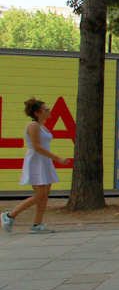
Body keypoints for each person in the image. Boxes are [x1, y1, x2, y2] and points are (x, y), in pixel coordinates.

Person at [1, 98, 71, 234]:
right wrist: (57, 158)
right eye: (46, 109)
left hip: (45, 161)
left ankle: (37, 224)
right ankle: (9, 215)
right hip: (36, 161)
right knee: (39, 195)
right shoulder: (33, 126)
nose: (49, 111)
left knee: (45, 195)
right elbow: (37, 147)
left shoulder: (42, 126)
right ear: (37, 113)